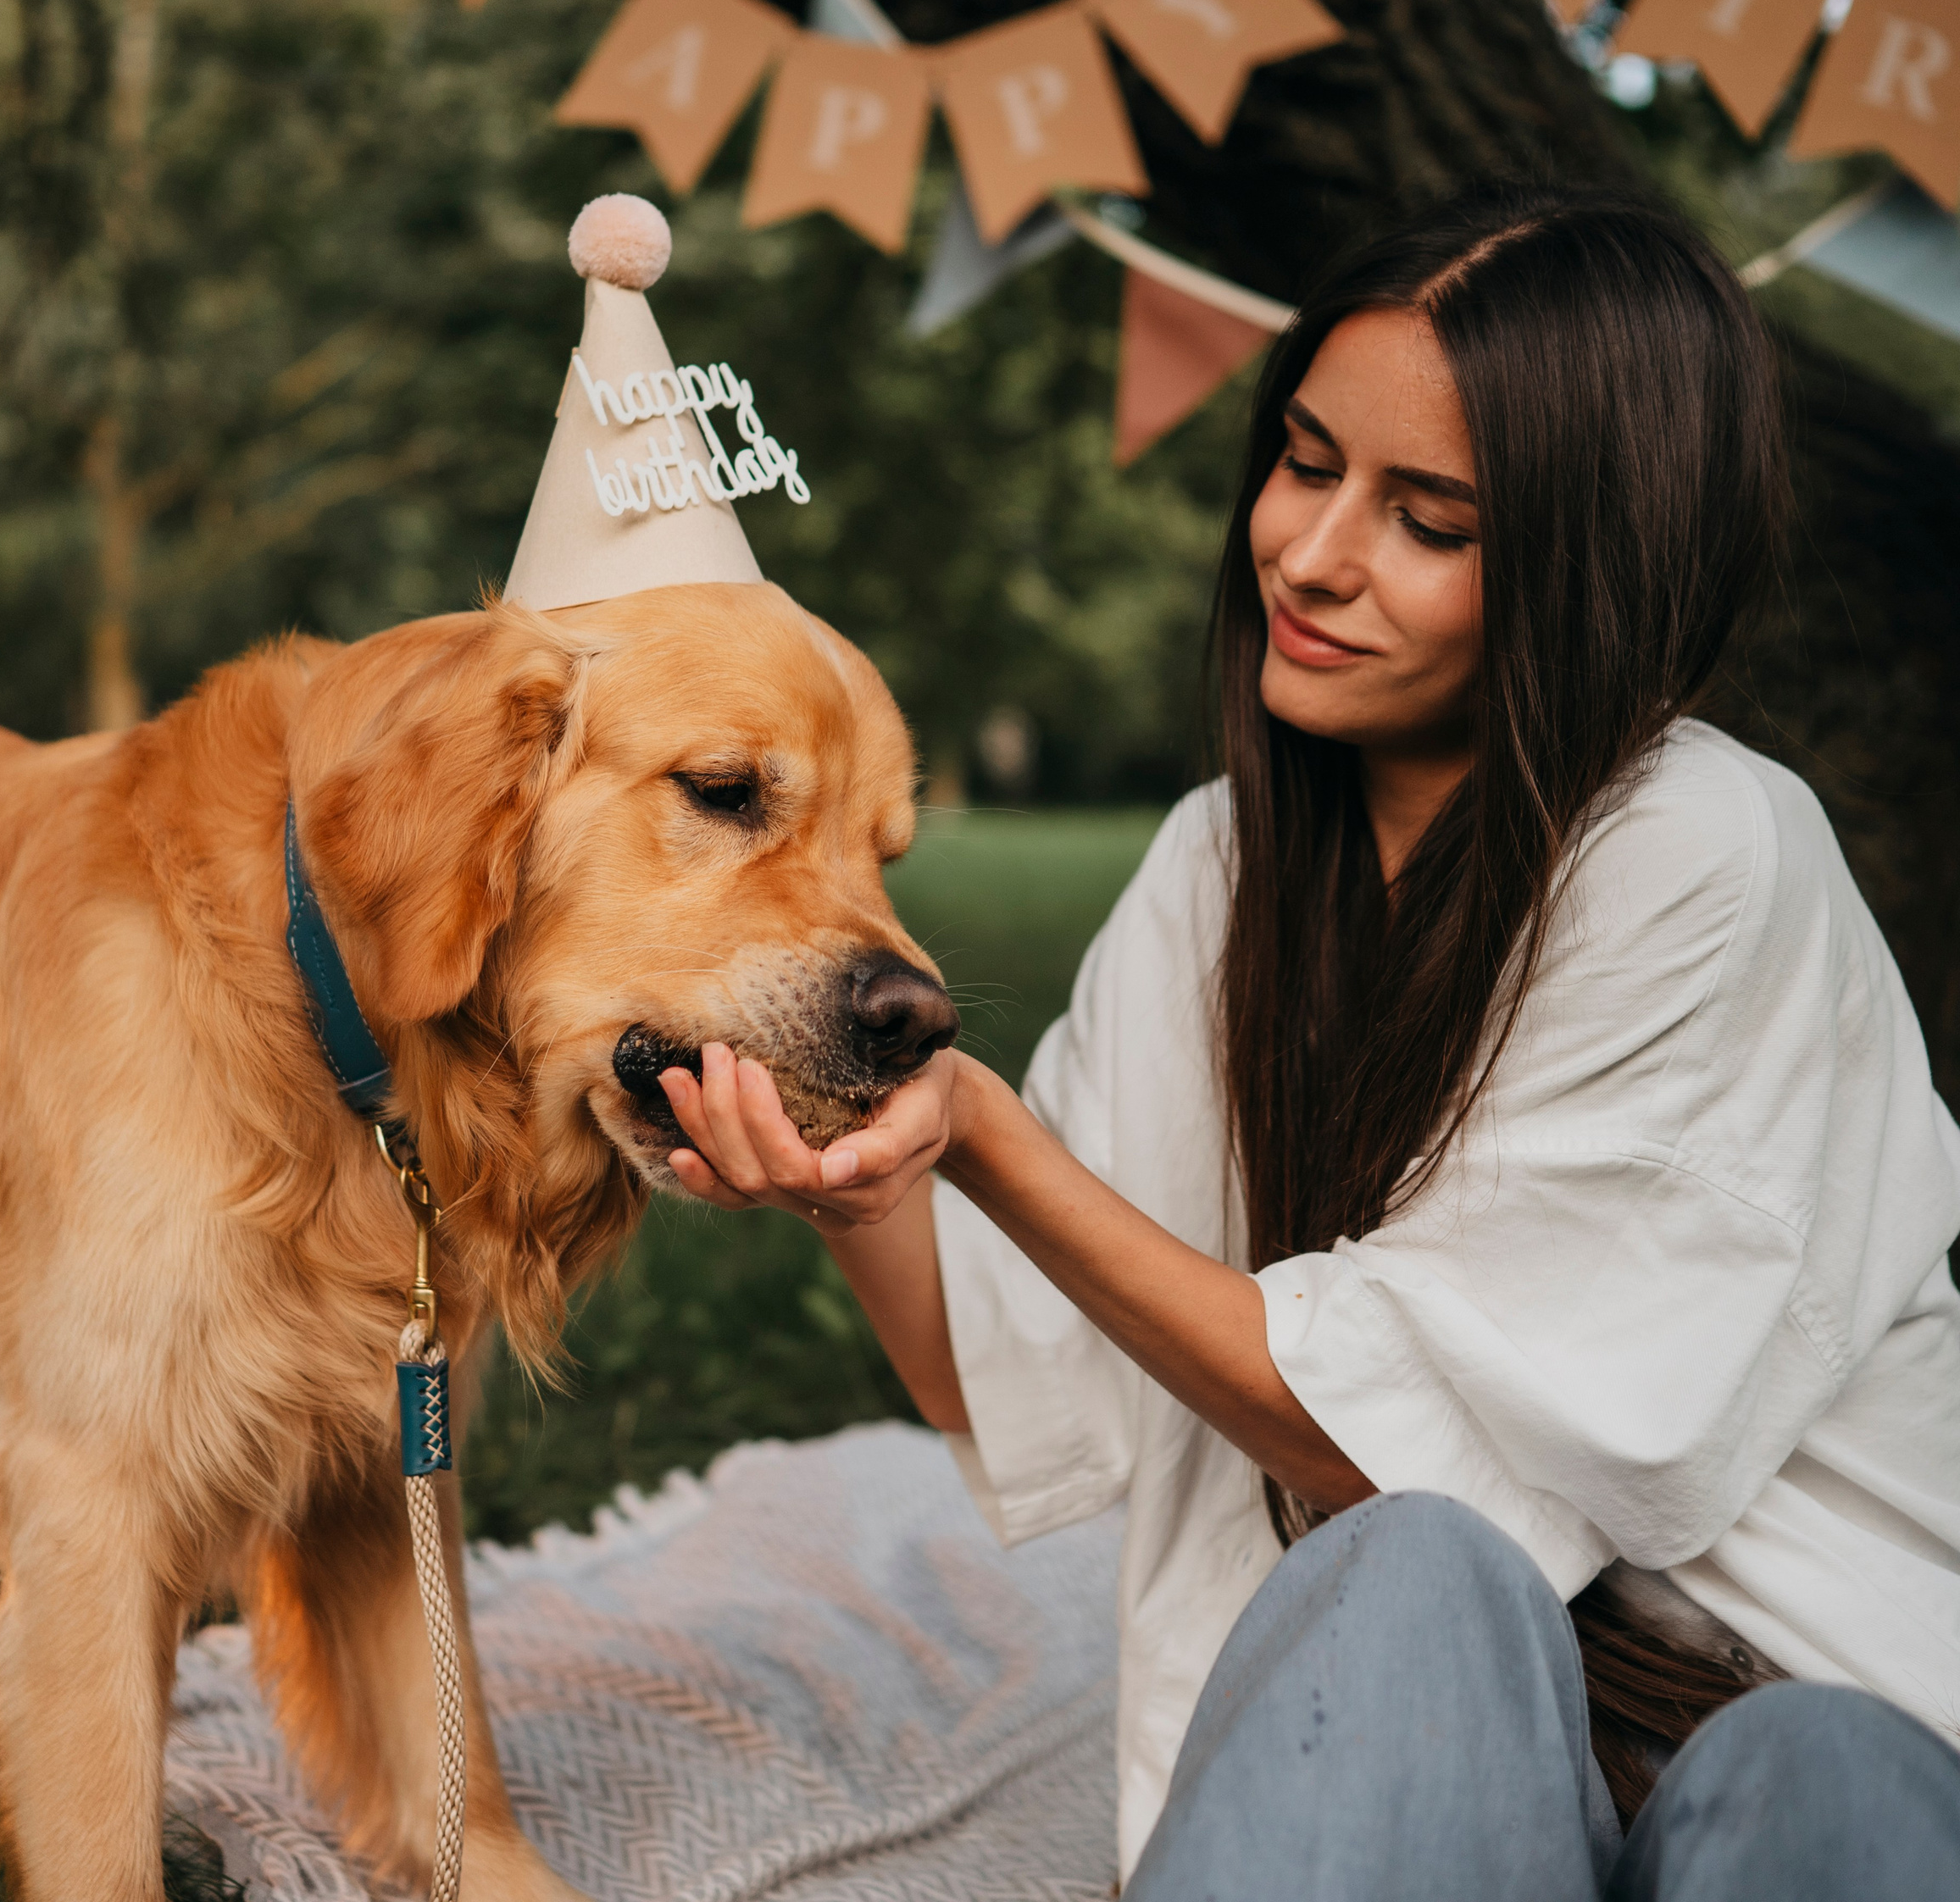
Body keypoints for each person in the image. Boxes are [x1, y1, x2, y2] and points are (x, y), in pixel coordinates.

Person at [658, 182, 1960, 1900]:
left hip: (1777, 1733)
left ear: (1594, 558)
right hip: (1423, 1754)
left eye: (1426, 517)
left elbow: (1395, 1441)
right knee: (1405, 1585)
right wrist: (853, 1146)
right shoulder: (1223, 864)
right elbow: (996, 1369)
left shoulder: (1704, 851)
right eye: (1302, 459)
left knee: (1762, 1732)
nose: (1313, 550)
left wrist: (982, 1126)